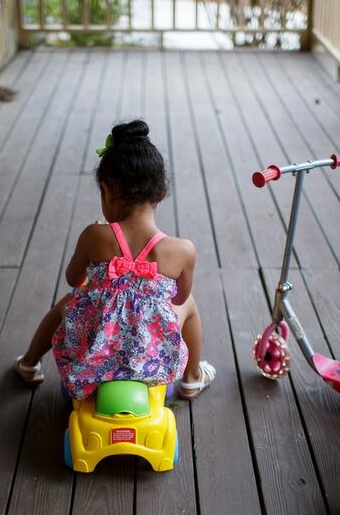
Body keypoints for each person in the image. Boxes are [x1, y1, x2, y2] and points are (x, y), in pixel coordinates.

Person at [13, 120, 214, 400]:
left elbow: (74, 280)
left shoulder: (95, 235)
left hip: (91, 359)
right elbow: (180, 298)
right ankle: (191, 378)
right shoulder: (182, 250)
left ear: (107, 191)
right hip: (152, 360)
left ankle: (29, 363)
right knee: (191, 306)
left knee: (67, 302)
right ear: (162, 192)